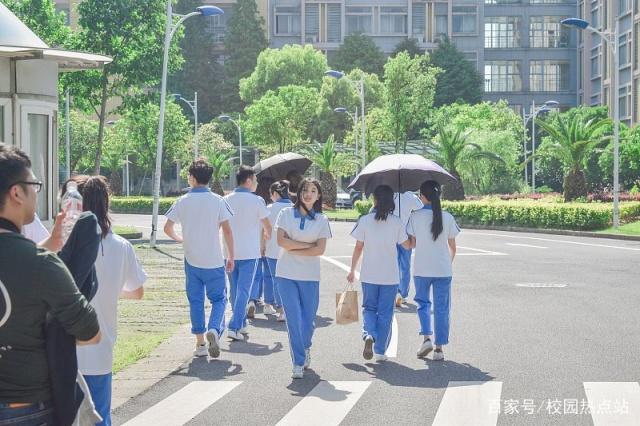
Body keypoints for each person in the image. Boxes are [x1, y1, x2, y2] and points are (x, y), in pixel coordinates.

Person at [0, 143, 101, 424]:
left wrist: (51, 244)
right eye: (34, 184)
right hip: (27, 409)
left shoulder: (39, 259)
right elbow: (90, 333)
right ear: (16, 192)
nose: (36, 192)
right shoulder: (40, 264)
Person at [74, 176, 146, 426]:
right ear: (106, 203)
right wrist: (113, 290)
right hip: (100, 346)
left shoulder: (63, 244)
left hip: (61, 349)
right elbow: (137, 292)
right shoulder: (121, 246)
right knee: (99, 417)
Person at [164, 159, 235, 357]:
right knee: (219, 299)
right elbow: (228, 232)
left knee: (195, 300)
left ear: (193, 178)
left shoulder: (182, 201)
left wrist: (181, 239)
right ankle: (214, 328)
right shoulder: (218, 200)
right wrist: (231, 256)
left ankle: (200, 344)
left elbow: (167, 228)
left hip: (192, 259)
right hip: (214, 259)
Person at [275, 178, 332, 379]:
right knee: (293, 320)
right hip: (286, 275)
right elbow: (281, 241)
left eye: (313, 191)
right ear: (299, 192)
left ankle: (305, 347)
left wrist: (295, 246)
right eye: (305, 190)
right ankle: (298, 362)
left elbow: (321, 250)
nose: (308, 194)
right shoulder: (285, 214)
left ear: (318, 196)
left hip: (310, 277)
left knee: (308, 321)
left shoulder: (321, 220)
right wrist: (309, 246)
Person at [348, 185, 411, 362]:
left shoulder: (365, 220)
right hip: (390, 276)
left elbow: (358, 247)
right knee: (385, 313)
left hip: (369, 275)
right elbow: (407, 245)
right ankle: (381, 350)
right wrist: (411, 233)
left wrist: (352, 270)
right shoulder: (397, 222)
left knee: (369, 308)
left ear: (375, 200)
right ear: (391, 201)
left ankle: (369, 334)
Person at [407, 180, 460, 361]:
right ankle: (439, 349)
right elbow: (453, 247)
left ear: (422, 196)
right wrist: (448, 263)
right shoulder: (447, 217)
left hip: (422, 268)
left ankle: (427, 338)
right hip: (443, 270)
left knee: (423, 304)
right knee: (442, 309)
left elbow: (412, 244)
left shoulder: (414, 217)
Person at [223, 166, 271, 341]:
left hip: (229, 252)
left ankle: (241, 323)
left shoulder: (225, 199)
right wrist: (267, 234)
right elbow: (267, 225)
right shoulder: (257, 201)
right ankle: (234, 326)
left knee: (235, 290)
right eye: (256, 180)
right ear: (249, 180)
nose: (257, 184)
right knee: (244, 291)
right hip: (250, 253)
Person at [263, 181, 292, 321]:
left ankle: (269, 304)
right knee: (283, 279)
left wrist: (261, 246)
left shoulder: (269, 208)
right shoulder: (294, 208)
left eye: (271, 194)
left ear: (275, 193)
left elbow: (262, 230)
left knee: (270, 277)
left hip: (271, 248)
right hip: (289, 250)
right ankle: (282, 309)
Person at [248, 176, 275, 316]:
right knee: (269, 275)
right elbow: (267, 227)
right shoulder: (262, 203)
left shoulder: (251, 201)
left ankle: (252, 299)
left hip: (252, 244)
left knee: (255, 274)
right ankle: (268, 302)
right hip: (267, 243)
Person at [393, 191, 423, 306]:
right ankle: (403, 294)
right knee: (405, 265)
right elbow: (420, 207)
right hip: (406, 232)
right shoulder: (411, 196)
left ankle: (395, 292)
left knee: (393, 263)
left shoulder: (391, 194)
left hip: (392, 231)